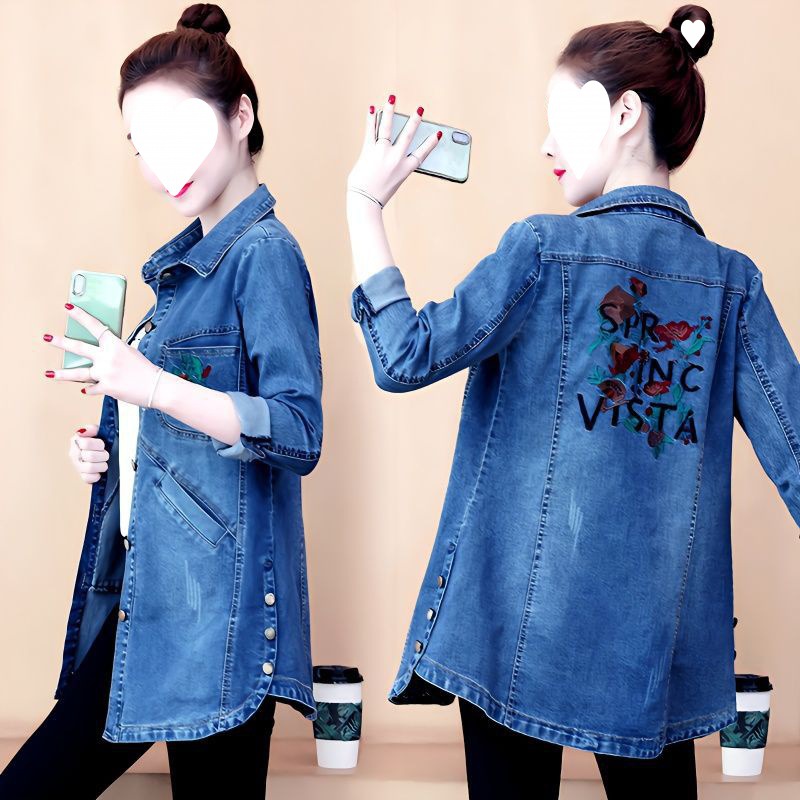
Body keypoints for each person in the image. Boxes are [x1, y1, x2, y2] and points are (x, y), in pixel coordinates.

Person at [346, 5, 797, 798]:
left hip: (514, 633)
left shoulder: (541, 248)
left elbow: (404, 355)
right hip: (653, 653)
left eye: (560, 120)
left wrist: (363, 205)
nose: (546, 146)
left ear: (623, 113)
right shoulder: (733, 284)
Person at [0, 4, 323, 798]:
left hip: (221, 621)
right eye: (140, 145)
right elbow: (184, 438)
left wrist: (148, 385)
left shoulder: (265, 255)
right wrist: (114, 451)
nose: (156, 163)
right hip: (157, 599)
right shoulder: (184, 277)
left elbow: (297, 429)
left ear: (240, 116)